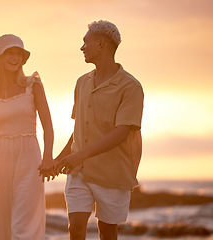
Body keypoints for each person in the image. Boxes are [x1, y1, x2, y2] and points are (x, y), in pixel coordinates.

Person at [55, 20, 144, 240]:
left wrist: (79, 156)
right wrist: (60, 158)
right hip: (80, 171)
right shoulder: (81, 83)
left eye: (86, 41)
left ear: (101, 44)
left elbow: (121, 132)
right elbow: (78, 129)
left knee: (107, 232)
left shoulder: (130, 87)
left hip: (113, 172)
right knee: (75, 228)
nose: (82, 47)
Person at [0, 34, 55, 240]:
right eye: (9, 52)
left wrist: (48, 157)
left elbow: (48, 126)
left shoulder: (33, 85)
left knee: (24, 226)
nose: (14, 57)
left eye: (18, 53)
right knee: (0, 226)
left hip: (29, 157)